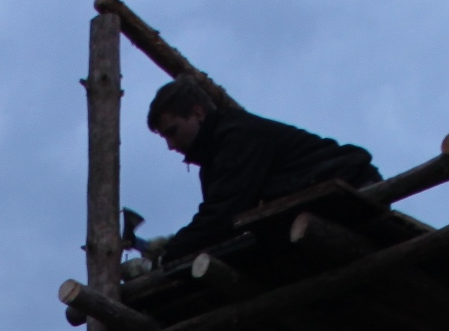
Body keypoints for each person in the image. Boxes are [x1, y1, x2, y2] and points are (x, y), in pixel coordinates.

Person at [145, 73, 381, 262]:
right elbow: (221, 220)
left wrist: (169, 252)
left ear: (198, 113)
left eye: (172, 132)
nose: (170, 145)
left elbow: (222, 216)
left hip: (352, 189)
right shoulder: (214, 160)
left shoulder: (237, 138)